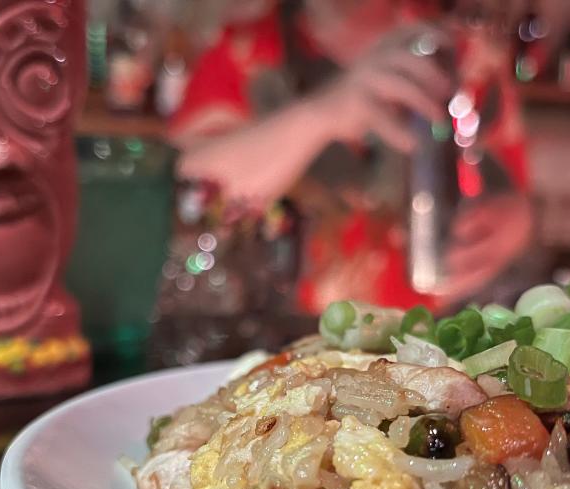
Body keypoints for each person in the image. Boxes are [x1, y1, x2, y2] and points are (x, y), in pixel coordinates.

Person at [168, 0, 533, 313]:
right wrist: (325, 110)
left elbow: (516, 194)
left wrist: (511, 225)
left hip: (432, 342)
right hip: (279, 343)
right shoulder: (243, 49)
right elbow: (187, 187)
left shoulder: (472, 52)